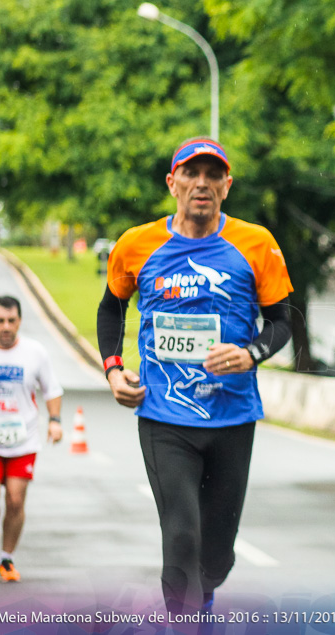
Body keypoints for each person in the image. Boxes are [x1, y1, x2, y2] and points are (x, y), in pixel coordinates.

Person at [96, 137, 293, 614]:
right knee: (181, 536)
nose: (201, 183)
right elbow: (111, 308)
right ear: (173, 183)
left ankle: (202, 597)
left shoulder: (256, 243)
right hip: (164, 418)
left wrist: (251, 354)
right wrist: (113, 369)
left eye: (212, 175)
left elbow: (284, 322)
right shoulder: (136, 244)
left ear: (227, 186)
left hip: (231, 417)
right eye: (190, 173)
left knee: (216, 557)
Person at [0, 295, 63, 582]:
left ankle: (7, 559)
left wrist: (55, 421)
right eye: (0, 321)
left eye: (12, 321)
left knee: (16, 502)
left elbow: (52, 389)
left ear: (19, 320)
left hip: (23, 439)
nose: (6, 327)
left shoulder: (35, 352)